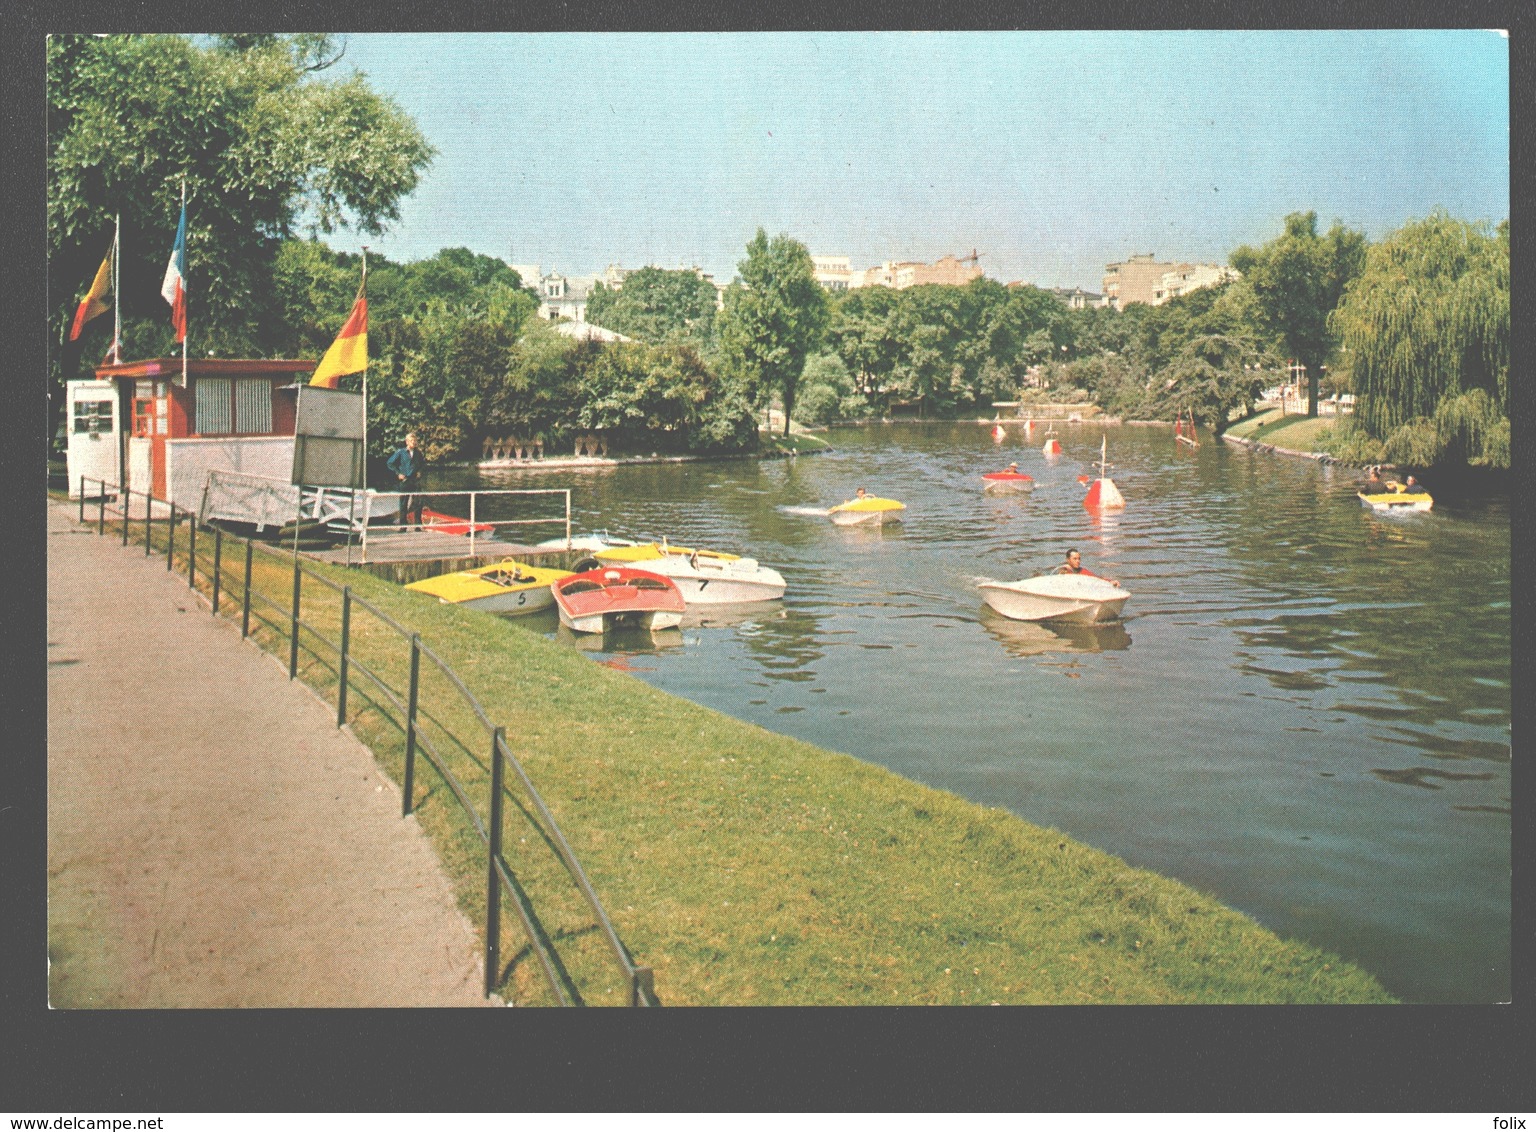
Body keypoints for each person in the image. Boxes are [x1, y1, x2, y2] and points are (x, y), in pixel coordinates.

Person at [387, 431, 425, 530]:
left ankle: (418, 526)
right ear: (407, 442)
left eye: (415, 441)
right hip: (405, 481)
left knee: (418, 503)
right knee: (403, 504)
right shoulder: (401, 452)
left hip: (415, 481)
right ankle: (403, 526)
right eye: (411, 441)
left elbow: (423, 464)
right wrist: (398, 473)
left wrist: (420, 471)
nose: (414, 442)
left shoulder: (418, 453)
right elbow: (390, 463)